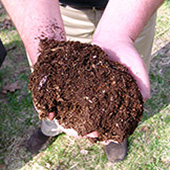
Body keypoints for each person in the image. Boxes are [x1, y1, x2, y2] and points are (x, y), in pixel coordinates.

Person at [2, 0, 165, 163]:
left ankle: (115, 134)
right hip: (56, 11)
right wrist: (47, 47)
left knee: (129, 76)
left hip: (133, 10)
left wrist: (120, 34)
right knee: (49, 89)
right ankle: (49, 129)